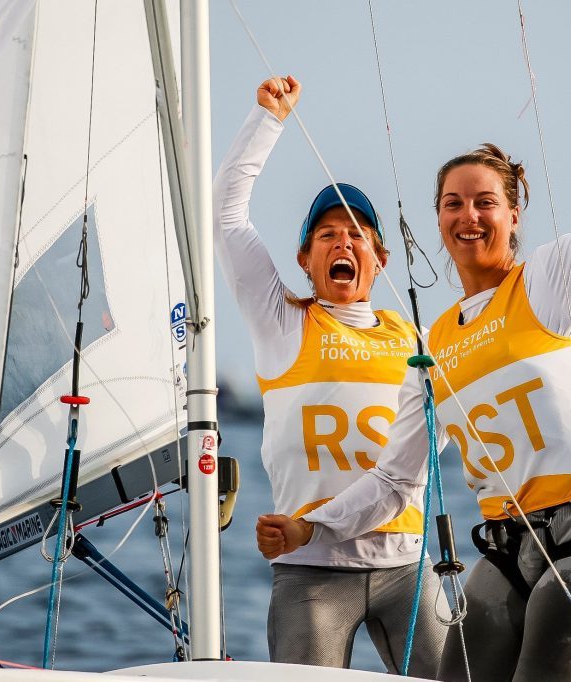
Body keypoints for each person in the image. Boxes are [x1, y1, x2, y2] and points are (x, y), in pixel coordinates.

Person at [257, 31, 571, 681]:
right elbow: (393, 483)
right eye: (453, 203)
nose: (469, 216)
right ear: (437, 220)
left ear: (513, 215)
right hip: (509, 553)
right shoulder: (434, 346)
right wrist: (310, 528)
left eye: (486, 202)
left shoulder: (550, 281)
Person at [213, 75, 446, 676]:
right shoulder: (281, 321)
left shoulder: (419, 340)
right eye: (327, 234)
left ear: (379, 260)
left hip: (407, 565)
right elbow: (227, 218)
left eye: (357, 235)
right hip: (309, 568)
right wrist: (268, 120)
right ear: (305, 258)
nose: (344, 242)